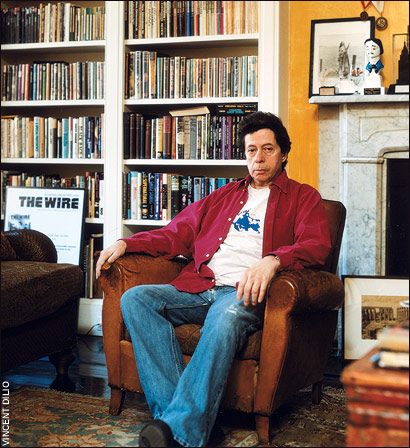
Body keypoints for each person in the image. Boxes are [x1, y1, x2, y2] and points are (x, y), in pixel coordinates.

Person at [96, 111, 331, 447]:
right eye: (252, 150)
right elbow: (175, 233)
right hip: (200, 287)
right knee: (136, 299)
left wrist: (274, 260)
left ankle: (179, 433)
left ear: (283, 154)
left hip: (244, 294)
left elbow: (316, 246)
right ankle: (179, 423)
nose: (259, 158)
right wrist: (126, 243)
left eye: (268, 149)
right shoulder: (223, 196)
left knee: (226, 315)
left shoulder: (303, 197)